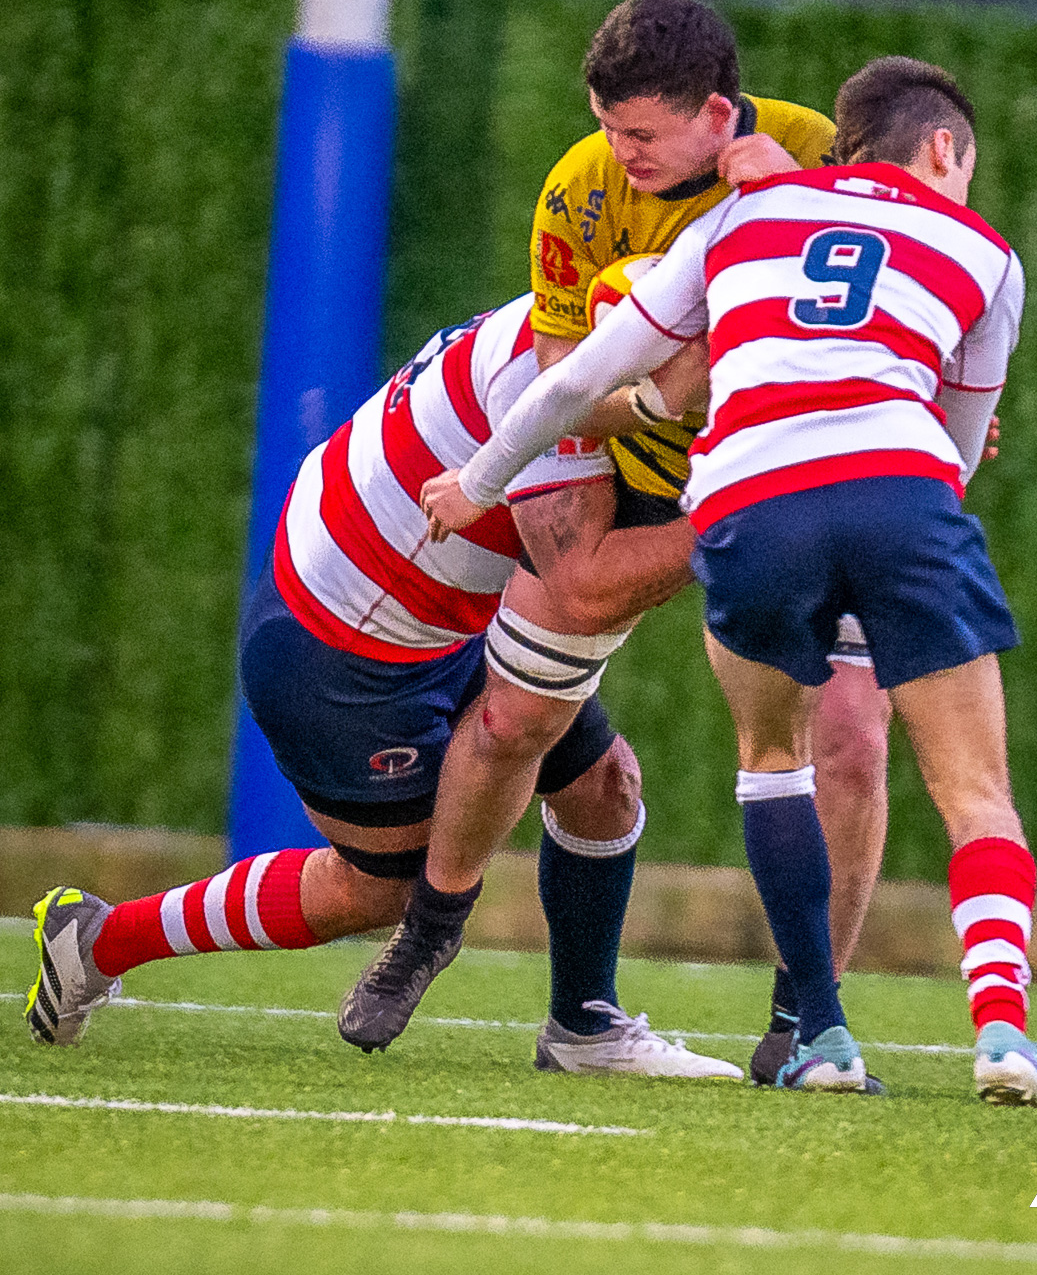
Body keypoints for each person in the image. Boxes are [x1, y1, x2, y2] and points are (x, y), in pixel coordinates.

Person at [423, 56, 1037, 1109]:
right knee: (974, 789)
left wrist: (477, 481)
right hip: (899, 493)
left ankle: (818, 1033)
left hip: (747, 499)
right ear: (943, 149)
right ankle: (1001, 1030)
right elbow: (956, 447)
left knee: (774, 759)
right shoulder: (984, 248)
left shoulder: (737, 218)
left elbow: (581, 376)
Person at [339, 0, 893, 1067]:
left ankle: (803, 1022)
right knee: (512, 719)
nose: (615, 151)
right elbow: (557, 383)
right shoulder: (577, 190)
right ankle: (428, 934)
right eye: (604, 123)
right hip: (638, 469)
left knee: (851, 741)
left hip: (803, 473)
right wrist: (654, 400)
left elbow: (921, 287)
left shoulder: (814, 157)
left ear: (718, 115)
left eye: (638, 133)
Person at [25, 294, 742, 1082]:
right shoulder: (561, 379)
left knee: (604, 785)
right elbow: (583, 587)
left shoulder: (591, 323)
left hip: (415, 601)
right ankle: (97, 940)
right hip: (341, 640)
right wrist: (750, 511)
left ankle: (585, 1027)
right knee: (378, 890)